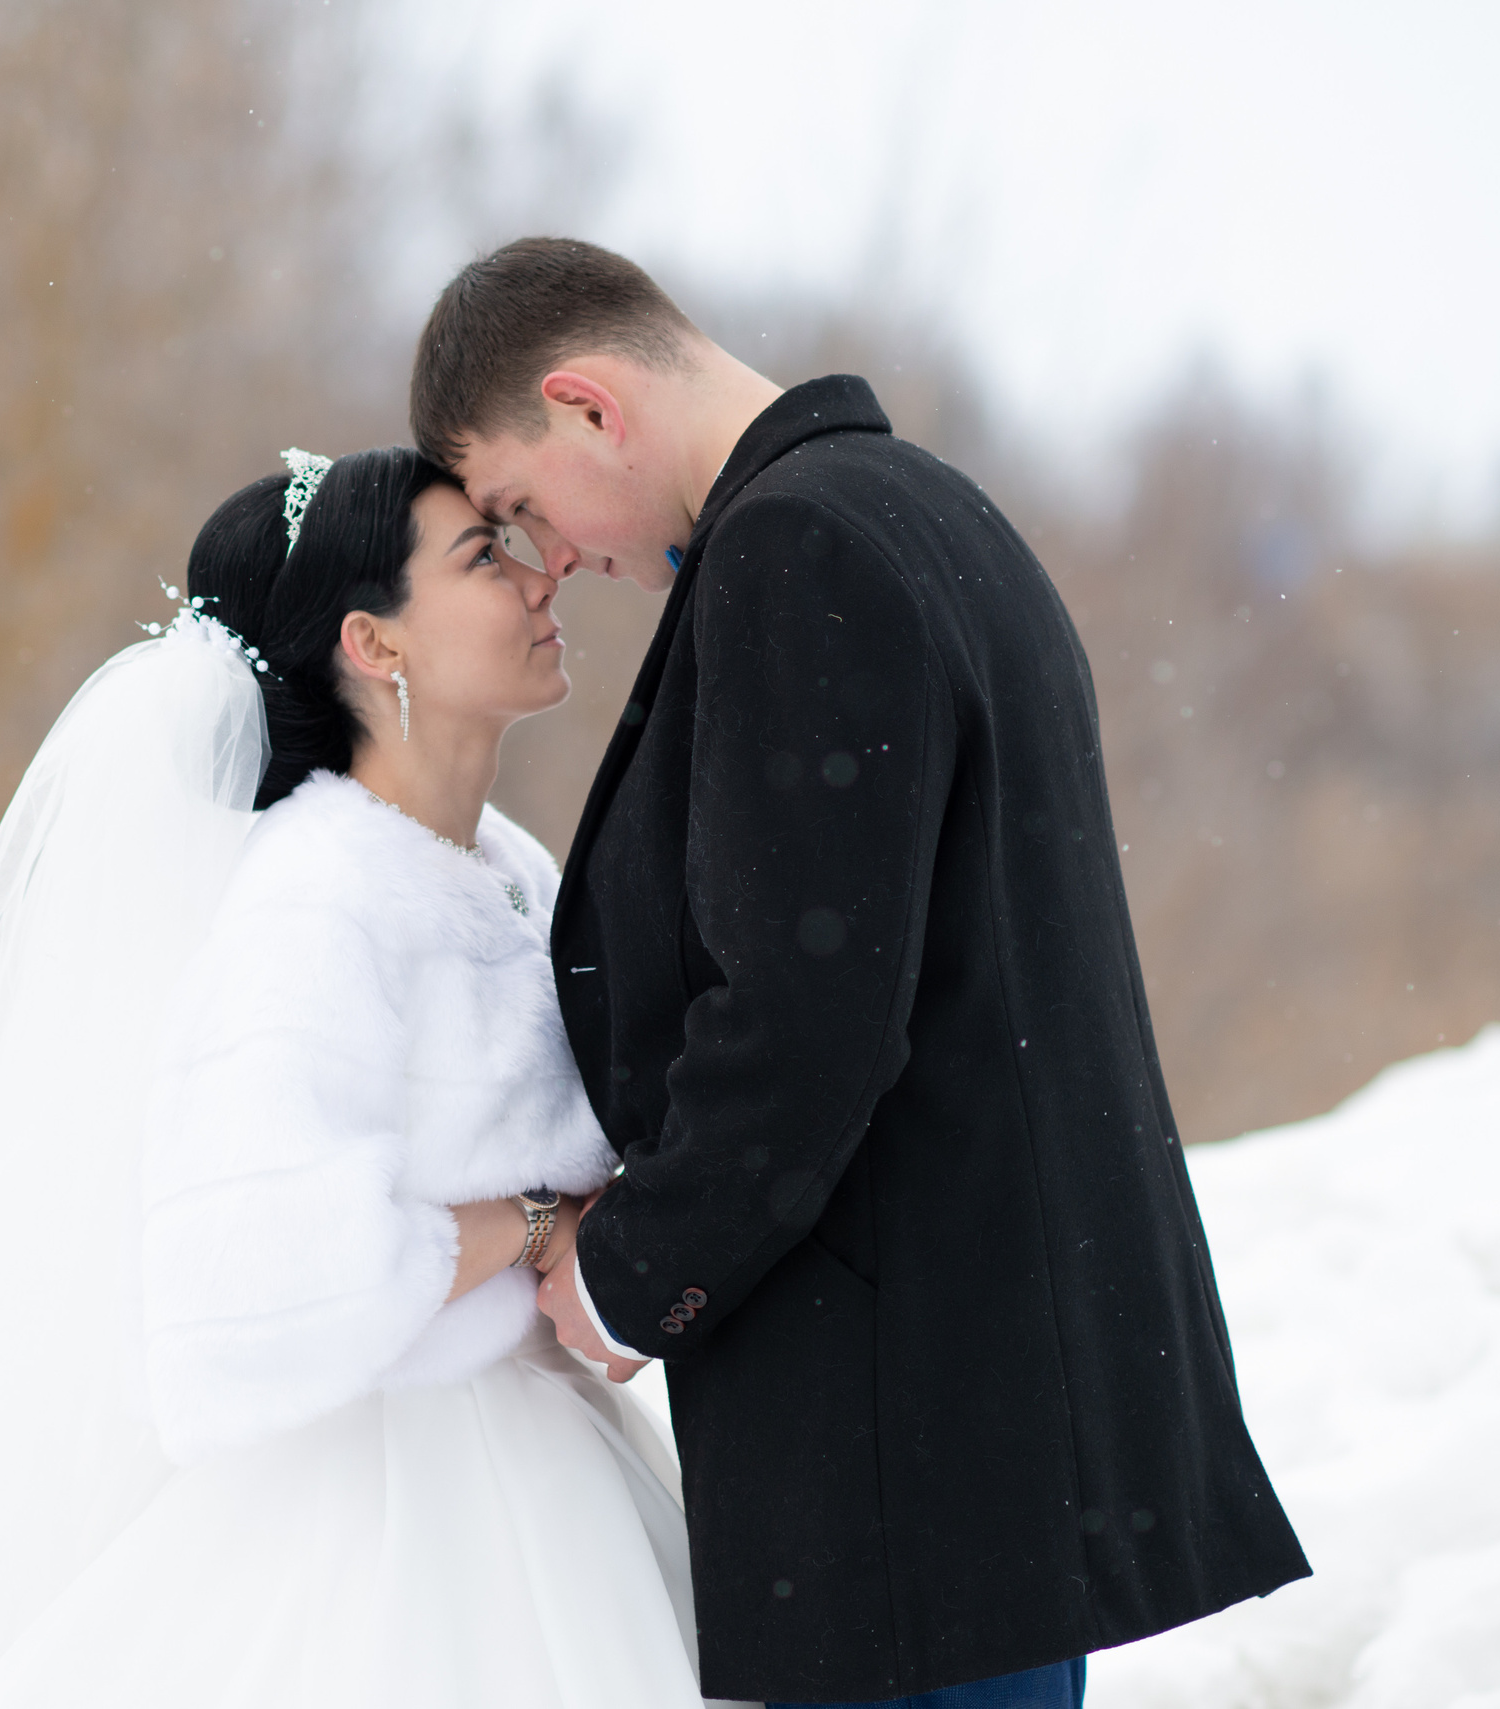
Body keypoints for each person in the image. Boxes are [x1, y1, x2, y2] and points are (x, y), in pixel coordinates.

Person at [408, 238, 1312, 1709]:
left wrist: (631, 1279)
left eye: (520, 506)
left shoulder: (799, 549)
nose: (549, 554)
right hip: (984, 1422)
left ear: (587, 406)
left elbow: (804, 1018)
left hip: (908, 1448)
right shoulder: (929, 511)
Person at [0, 446, 751, 1709]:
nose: (542, 574)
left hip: (555, 1459)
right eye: (482, 557)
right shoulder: (317, 894)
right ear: (373, 644)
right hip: (399, 1505)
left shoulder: (504, 860)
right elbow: (263, 1268)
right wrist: (542, 1225)